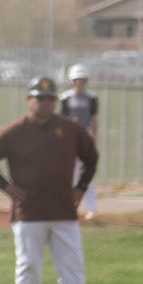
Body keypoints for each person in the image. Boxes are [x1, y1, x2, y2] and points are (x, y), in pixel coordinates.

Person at [0, 76, 100, 284]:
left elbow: (91, 156)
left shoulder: (69, 128)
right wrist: (6, 187)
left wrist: (81, 187)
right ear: (29, 100)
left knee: (72, 267)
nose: (45, 103)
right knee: (28, 265)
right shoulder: (15, 131)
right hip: (29, 212)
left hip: (64, 211)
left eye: (50, 99)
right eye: (40, 98)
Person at [61, 64, 101, 220]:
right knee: (70, 173)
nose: (80, 82)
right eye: (77, 79)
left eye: (83, 79)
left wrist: (93, 139)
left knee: (87, 172)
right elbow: (63, 120)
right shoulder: (65, 97)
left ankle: (91, 209)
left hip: (86, 135)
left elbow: (94, 119)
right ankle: (70, 207)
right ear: (72, 81)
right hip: (71, 136)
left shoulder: (91, 97)